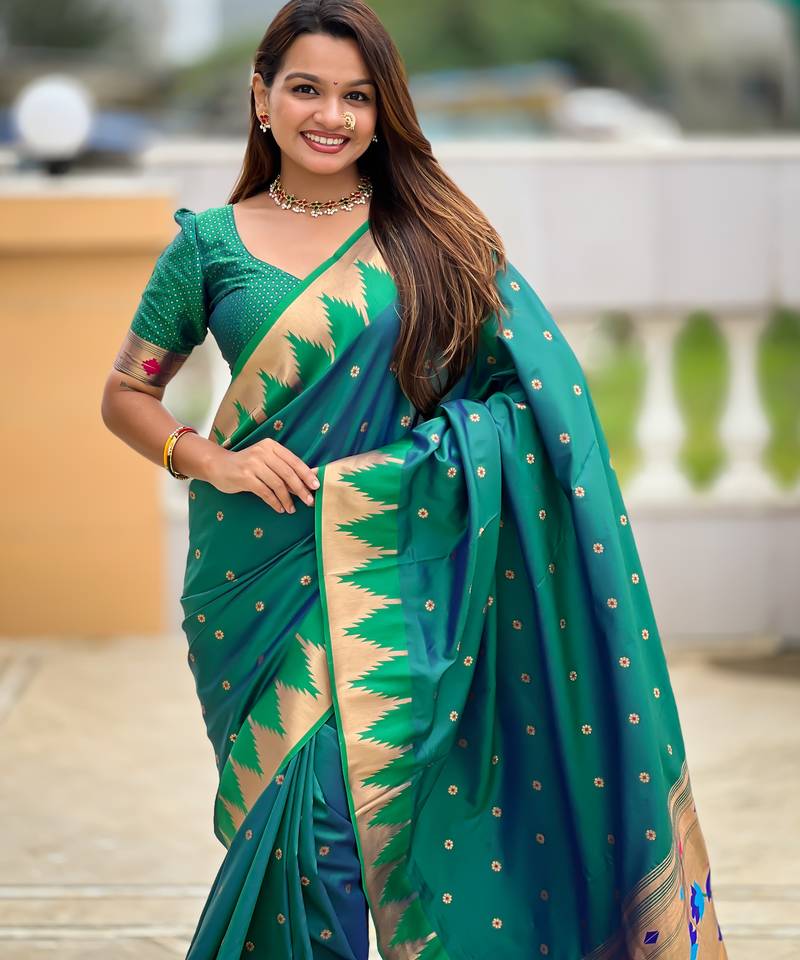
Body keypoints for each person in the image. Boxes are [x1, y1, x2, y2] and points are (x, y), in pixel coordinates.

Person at [101, 2, 728, 958]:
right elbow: (126, 393)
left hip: (404, 564)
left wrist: (408, 475)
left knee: (332, 824)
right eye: (306, 89)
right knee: (295, 826)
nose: (332, 116)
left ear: (383, 109)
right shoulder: (210, 245)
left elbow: (530, 401)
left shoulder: (434, 235)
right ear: (261, 97)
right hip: (256, 573)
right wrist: (211, 457)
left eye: (357, 97)